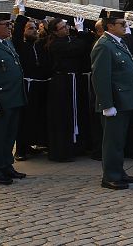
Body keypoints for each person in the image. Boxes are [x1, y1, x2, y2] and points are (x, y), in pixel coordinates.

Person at [90, 11, 133, 190]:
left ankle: (118, 171)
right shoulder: (104, 45)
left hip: (124, 99)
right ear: (110, 25)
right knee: (112, 141)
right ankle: (110, 176)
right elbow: (101, 78)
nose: (125, 26)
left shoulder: (118, 42)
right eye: (121, 24)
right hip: (115, 102)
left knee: (120, 140)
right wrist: (106, 104)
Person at [46, 16, 96, 162]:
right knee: (65, 116)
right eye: (62, 27)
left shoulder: (69, 39)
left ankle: (78, 146)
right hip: (63, 83)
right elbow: (77, 48)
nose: (67, 29)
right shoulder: (55, 44)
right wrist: (80, 32)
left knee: (78, 113)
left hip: (75, 80)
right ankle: (63, 150)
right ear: (55, 32)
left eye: (66, 26)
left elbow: (84, 46)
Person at [12, 8, 52, 160]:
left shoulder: (40, 44)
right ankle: (21, 150)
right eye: (30, 28)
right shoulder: (20, 45)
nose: (34, 31)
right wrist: (21, 16)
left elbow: (49, 36)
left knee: (39, 116)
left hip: (42, 85)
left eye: (35, 28)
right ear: (23, 31)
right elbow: (15, 34)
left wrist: (45, 21)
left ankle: (33, 144)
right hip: (28, 86)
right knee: (25, 118)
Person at [0, 13, 27, 185]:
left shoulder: (6, 43)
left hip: (14, 96)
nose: (9, 27)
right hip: (0, 99)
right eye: (6, 24)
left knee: (10, 134)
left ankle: (6, 165)